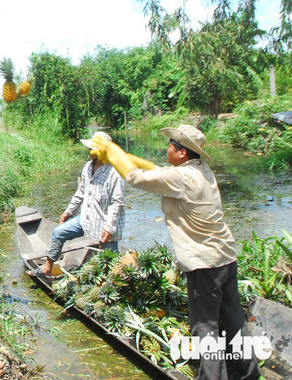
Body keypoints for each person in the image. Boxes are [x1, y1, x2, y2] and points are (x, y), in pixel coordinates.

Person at [91, 125, 261, 380]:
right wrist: (122, 154)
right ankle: (249, 374)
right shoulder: (201, 170)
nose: (166, 147)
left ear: (182, 153)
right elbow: (156, 171)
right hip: (226, 256)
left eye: (170, 144)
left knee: (205, 326)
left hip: (205, 264)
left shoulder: (181, 178)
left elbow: (136, 178)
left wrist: (112, 153)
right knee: (234, 318)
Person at [27, 131, 126, 278]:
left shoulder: (115, 172)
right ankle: (47, 268)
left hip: (104, 224)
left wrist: (109, 228)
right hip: (86, 218)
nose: (89, 150)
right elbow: (81, 192)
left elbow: (117, 203)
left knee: (111, 264)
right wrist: (68, 212)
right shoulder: (88, 167)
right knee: (58, 233)